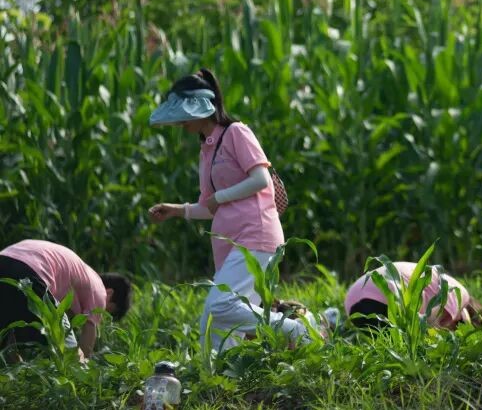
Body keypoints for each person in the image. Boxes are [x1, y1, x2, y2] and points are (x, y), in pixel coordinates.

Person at [146, 68, 308, 350]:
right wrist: (177, 210)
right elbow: (210, 206)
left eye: (184, 115)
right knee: (215, 325)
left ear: (201, 108)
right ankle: (226, 374)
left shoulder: (236, 133)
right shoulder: (207, 149)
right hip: (229, 244)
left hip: (255, 235)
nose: (181, 124)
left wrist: (220, 197)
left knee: (219, 306)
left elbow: (260, 179)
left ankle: (295, 329)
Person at [0, 239, 131, 360]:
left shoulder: (80, 275)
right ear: (109, 294)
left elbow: (12, 336)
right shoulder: (99, 290)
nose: (100, 317)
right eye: (106, 312)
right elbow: (87, 343)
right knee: (66, 355)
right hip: (31, 271)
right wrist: (82, 366)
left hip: (5, 259)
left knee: (6, 333)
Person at [344, 261, 482, 330]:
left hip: (352, 299)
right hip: (385, 295)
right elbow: (431, 322)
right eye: (459, 325)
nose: (456, 329)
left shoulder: (439, 283)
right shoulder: (459, 294)